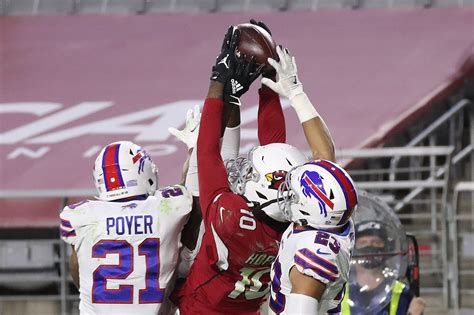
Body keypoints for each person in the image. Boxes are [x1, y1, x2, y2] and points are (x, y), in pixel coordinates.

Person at [174, 22, 336, 314]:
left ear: (261, 187)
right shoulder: (301, 219)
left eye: (251, 172)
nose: (244, 171)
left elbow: (209, 151)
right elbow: (278, 146)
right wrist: (270, 87)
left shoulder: (231, 216)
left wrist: (218, 79)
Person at [59, 141, 197, 315]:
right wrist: (193, 153)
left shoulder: (82, 215)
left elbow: (77, 267)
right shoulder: (167, 208)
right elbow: (192, 188)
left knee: (81, 251)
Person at [341, 220, 426, 315]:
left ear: (387, 249)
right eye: (363, 243)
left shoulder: (403, 295)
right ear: (353, 249)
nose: (369, 247)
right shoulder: (336, 294)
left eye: (376, 242)